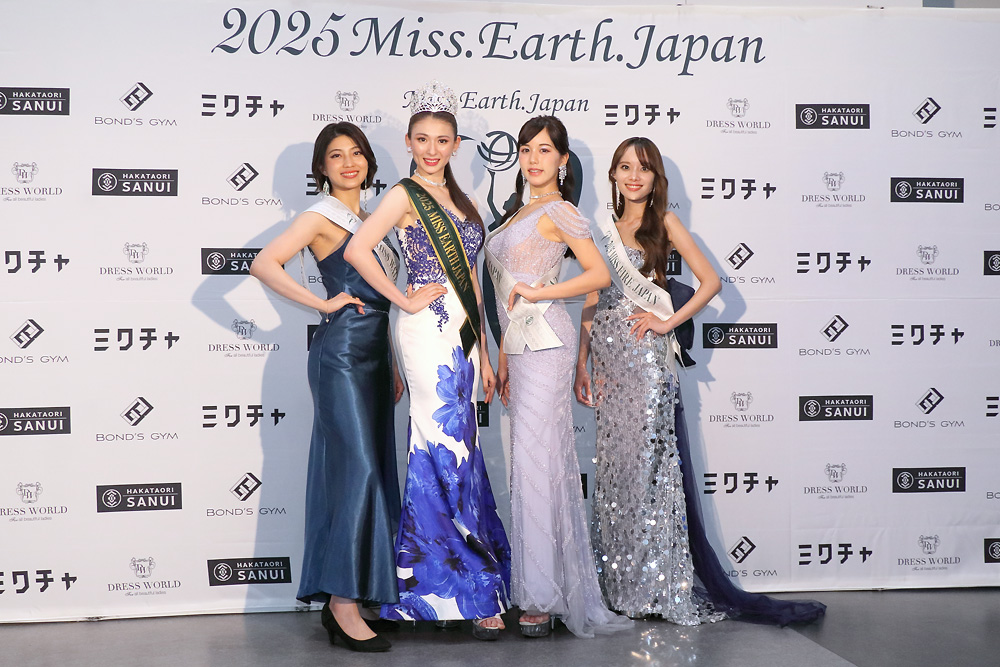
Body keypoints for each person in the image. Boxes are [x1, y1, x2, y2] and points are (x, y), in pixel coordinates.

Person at [575, 137, 825, 625]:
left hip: (646, 365)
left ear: (656, 178)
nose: (633, 176)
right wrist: (582, 362)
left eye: (643, 169)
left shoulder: (664, 223)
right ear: (613, 175)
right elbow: (591, 297)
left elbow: (711, 282)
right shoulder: (600, 232)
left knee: (649, 476)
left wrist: (667, 322)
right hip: (609, 365)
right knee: (615, 479)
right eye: (625, 167)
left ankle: (655, 588)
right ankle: (620, 589)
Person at [344, 81, 511, 640]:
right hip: (424, 330)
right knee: (435, 445)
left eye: (442, 140)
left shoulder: (465, 203)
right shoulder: (402, 194)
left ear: (456, 145)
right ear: (409, 143)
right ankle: (442, 589)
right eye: (422, 139)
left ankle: (471, 580)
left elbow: (475, 284)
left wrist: (484, 351)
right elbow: (357, 250)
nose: (432, 149)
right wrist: (402, 298)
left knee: (464, 448)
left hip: (463, 335)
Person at [249, 122, 402, 652]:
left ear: (369, 163)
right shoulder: (320, 217)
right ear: (322, 168)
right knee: (357, 472)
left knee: (372, 471)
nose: (349, 163)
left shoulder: (375, 219)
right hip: (340, 356)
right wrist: (320, 303)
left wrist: (393, 361)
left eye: (357, 153)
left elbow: (384, 301)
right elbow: (262, 263)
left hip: (376, 356)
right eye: (336, 155)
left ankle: (357, 593)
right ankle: (342, 604)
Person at [484, 115, 631, 639]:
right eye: (526, 149)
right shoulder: (518, 212)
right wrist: (503, 357)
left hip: (547, 342)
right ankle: (538, 586)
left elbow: (599, 275)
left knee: (538, 463)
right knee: (528, 465)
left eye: (545, 150)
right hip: (519, 346)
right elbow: (503, 296)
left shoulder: (561, 210)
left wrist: (542, 292)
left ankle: (543, 598)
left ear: (563, 160)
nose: (533, 158)